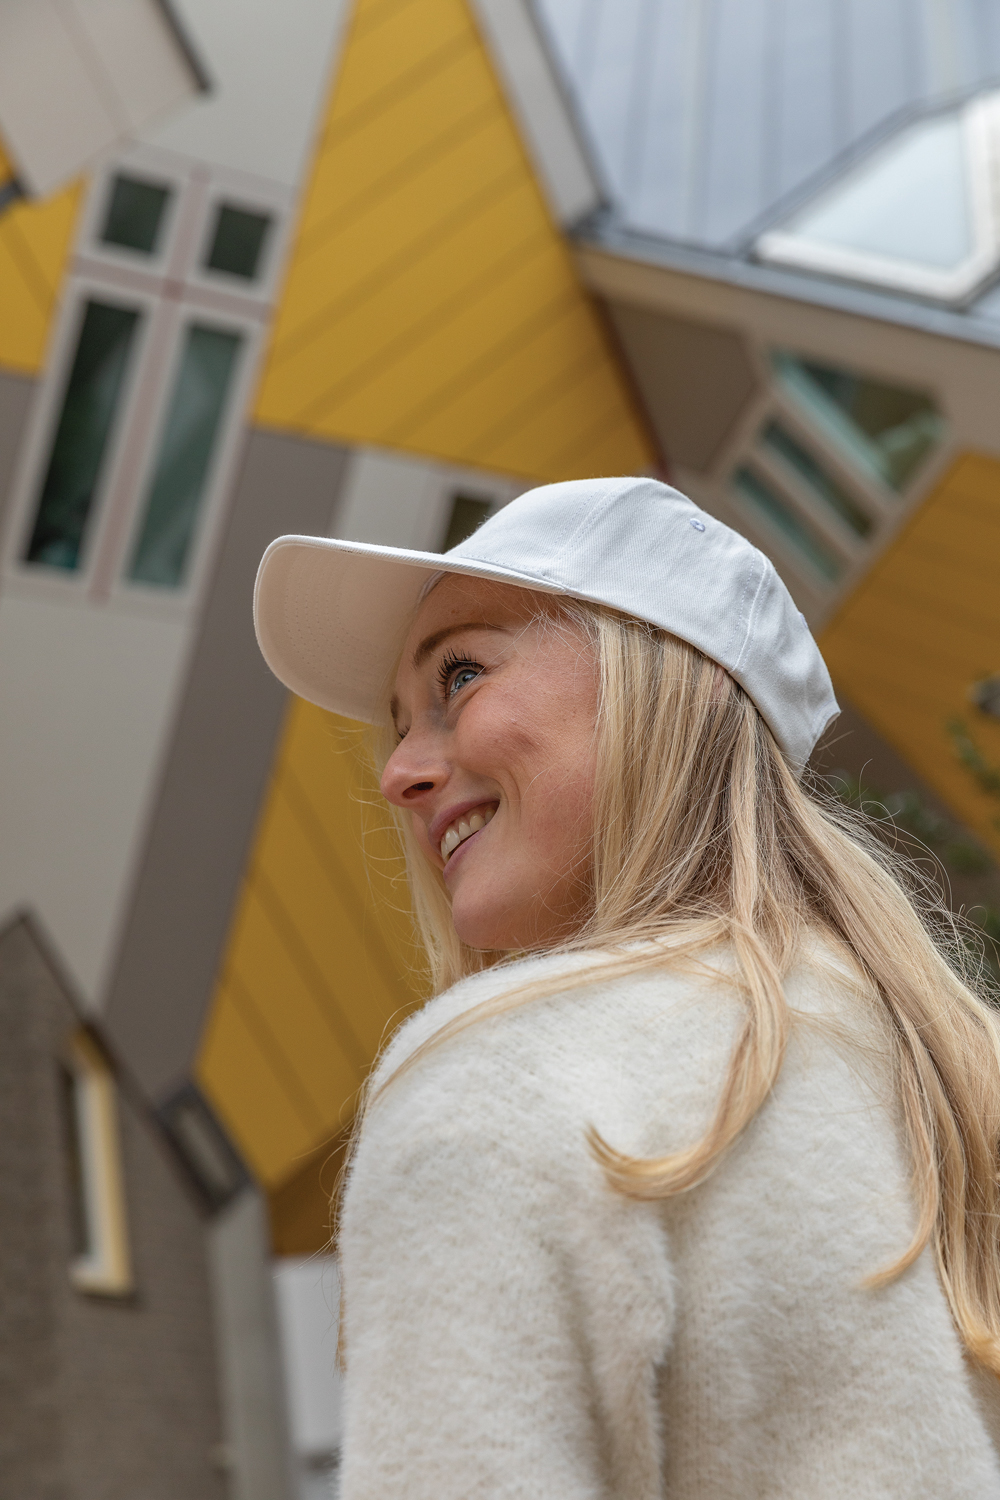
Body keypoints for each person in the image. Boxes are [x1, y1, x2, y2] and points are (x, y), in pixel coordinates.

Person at [254, 476, 1000, 1499]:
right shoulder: (955, 1081)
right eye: (398, 726)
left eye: (459, 675)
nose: (399, 774)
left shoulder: (501, 1088)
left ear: (663, 683)